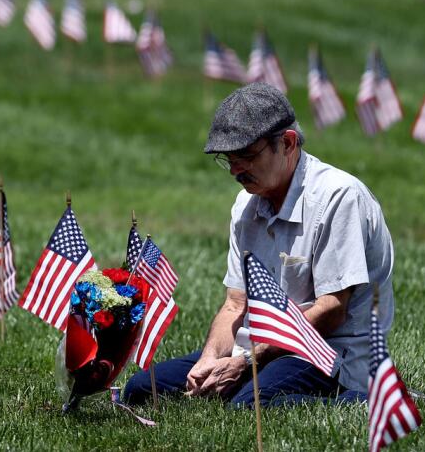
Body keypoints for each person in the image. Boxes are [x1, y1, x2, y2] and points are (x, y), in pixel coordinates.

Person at [124, 83, 394, 407]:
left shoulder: (339, 198)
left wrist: (245, 364)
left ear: (288, 143)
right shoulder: (245, 206)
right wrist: (209, 360)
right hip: (260, 350)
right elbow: (235, 305)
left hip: (331, 351)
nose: (236, 170)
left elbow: (332, 311)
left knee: (249, 404)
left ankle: (364, 400)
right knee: (141, 388)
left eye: (247, 156)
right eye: (229, 159)